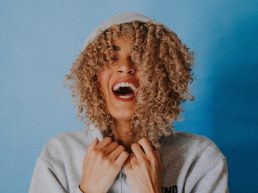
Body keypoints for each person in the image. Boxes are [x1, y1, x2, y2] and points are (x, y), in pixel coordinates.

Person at [29, 12, 229, 193]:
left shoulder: (201, 159)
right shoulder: (59, 155)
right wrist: (88, 190)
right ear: (92, 77)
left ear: (163, 76)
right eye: (111, 58)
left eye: (140, 58)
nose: (125, 67)